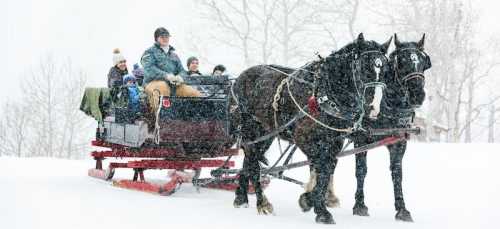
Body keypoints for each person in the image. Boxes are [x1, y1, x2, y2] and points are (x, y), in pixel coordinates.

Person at [141, 27, 201, 112]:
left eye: (167, 37)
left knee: (194, 93)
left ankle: (194, 118)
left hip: (173, 85)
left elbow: (182, 70)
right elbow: (149, 69)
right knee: (162, 89)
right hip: (153, 82)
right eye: (162, 37)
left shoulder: (174, 55)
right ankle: (160, 119)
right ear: (156, 39)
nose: (165, 39)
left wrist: (180, 77)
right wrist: (166, 76)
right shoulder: (149, 52)